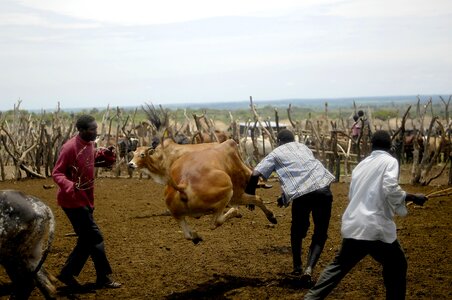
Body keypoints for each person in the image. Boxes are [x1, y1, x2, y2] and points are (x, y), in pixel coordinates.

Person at [304, 130, 427, 300]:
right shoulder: (390, 161)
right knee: (398, 265)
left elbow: (354, 195)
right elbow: (390, 188)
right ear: (390, 146)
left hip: (355, 223)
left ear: (371, 145)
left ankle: (310, 298)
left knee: (337, 267)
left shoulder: (361, 165)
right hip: (375, 227)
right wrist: (412, 197)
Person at [245, 129, 335, 285]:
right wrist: (284, 197)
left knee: (297, 230)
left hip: (303, 195)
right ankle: (309, 269)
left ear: (279, 141)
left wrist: (250, 195)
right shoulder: (303, 147)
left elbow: (254, 174)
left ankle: (298, 267)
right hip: (324, 189)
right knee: (320, 233)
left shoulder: (276, 153)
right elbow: (305, 173)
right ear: (293, 139)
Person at [52, 115, 121, 289]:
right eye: (92, 129)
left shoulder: (90, 143)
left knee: (86, 240)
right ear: (81, 130)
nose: (96, 132)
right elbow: (57, 173)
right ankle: (103, 277)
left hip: (86, 199)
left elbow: (89, 161)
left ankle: (67, 274)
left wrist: (104, 155)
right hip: (72, 201)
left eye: (96, 128)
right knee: (94, 237)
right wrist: (70, 185)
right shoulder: (69, 148)